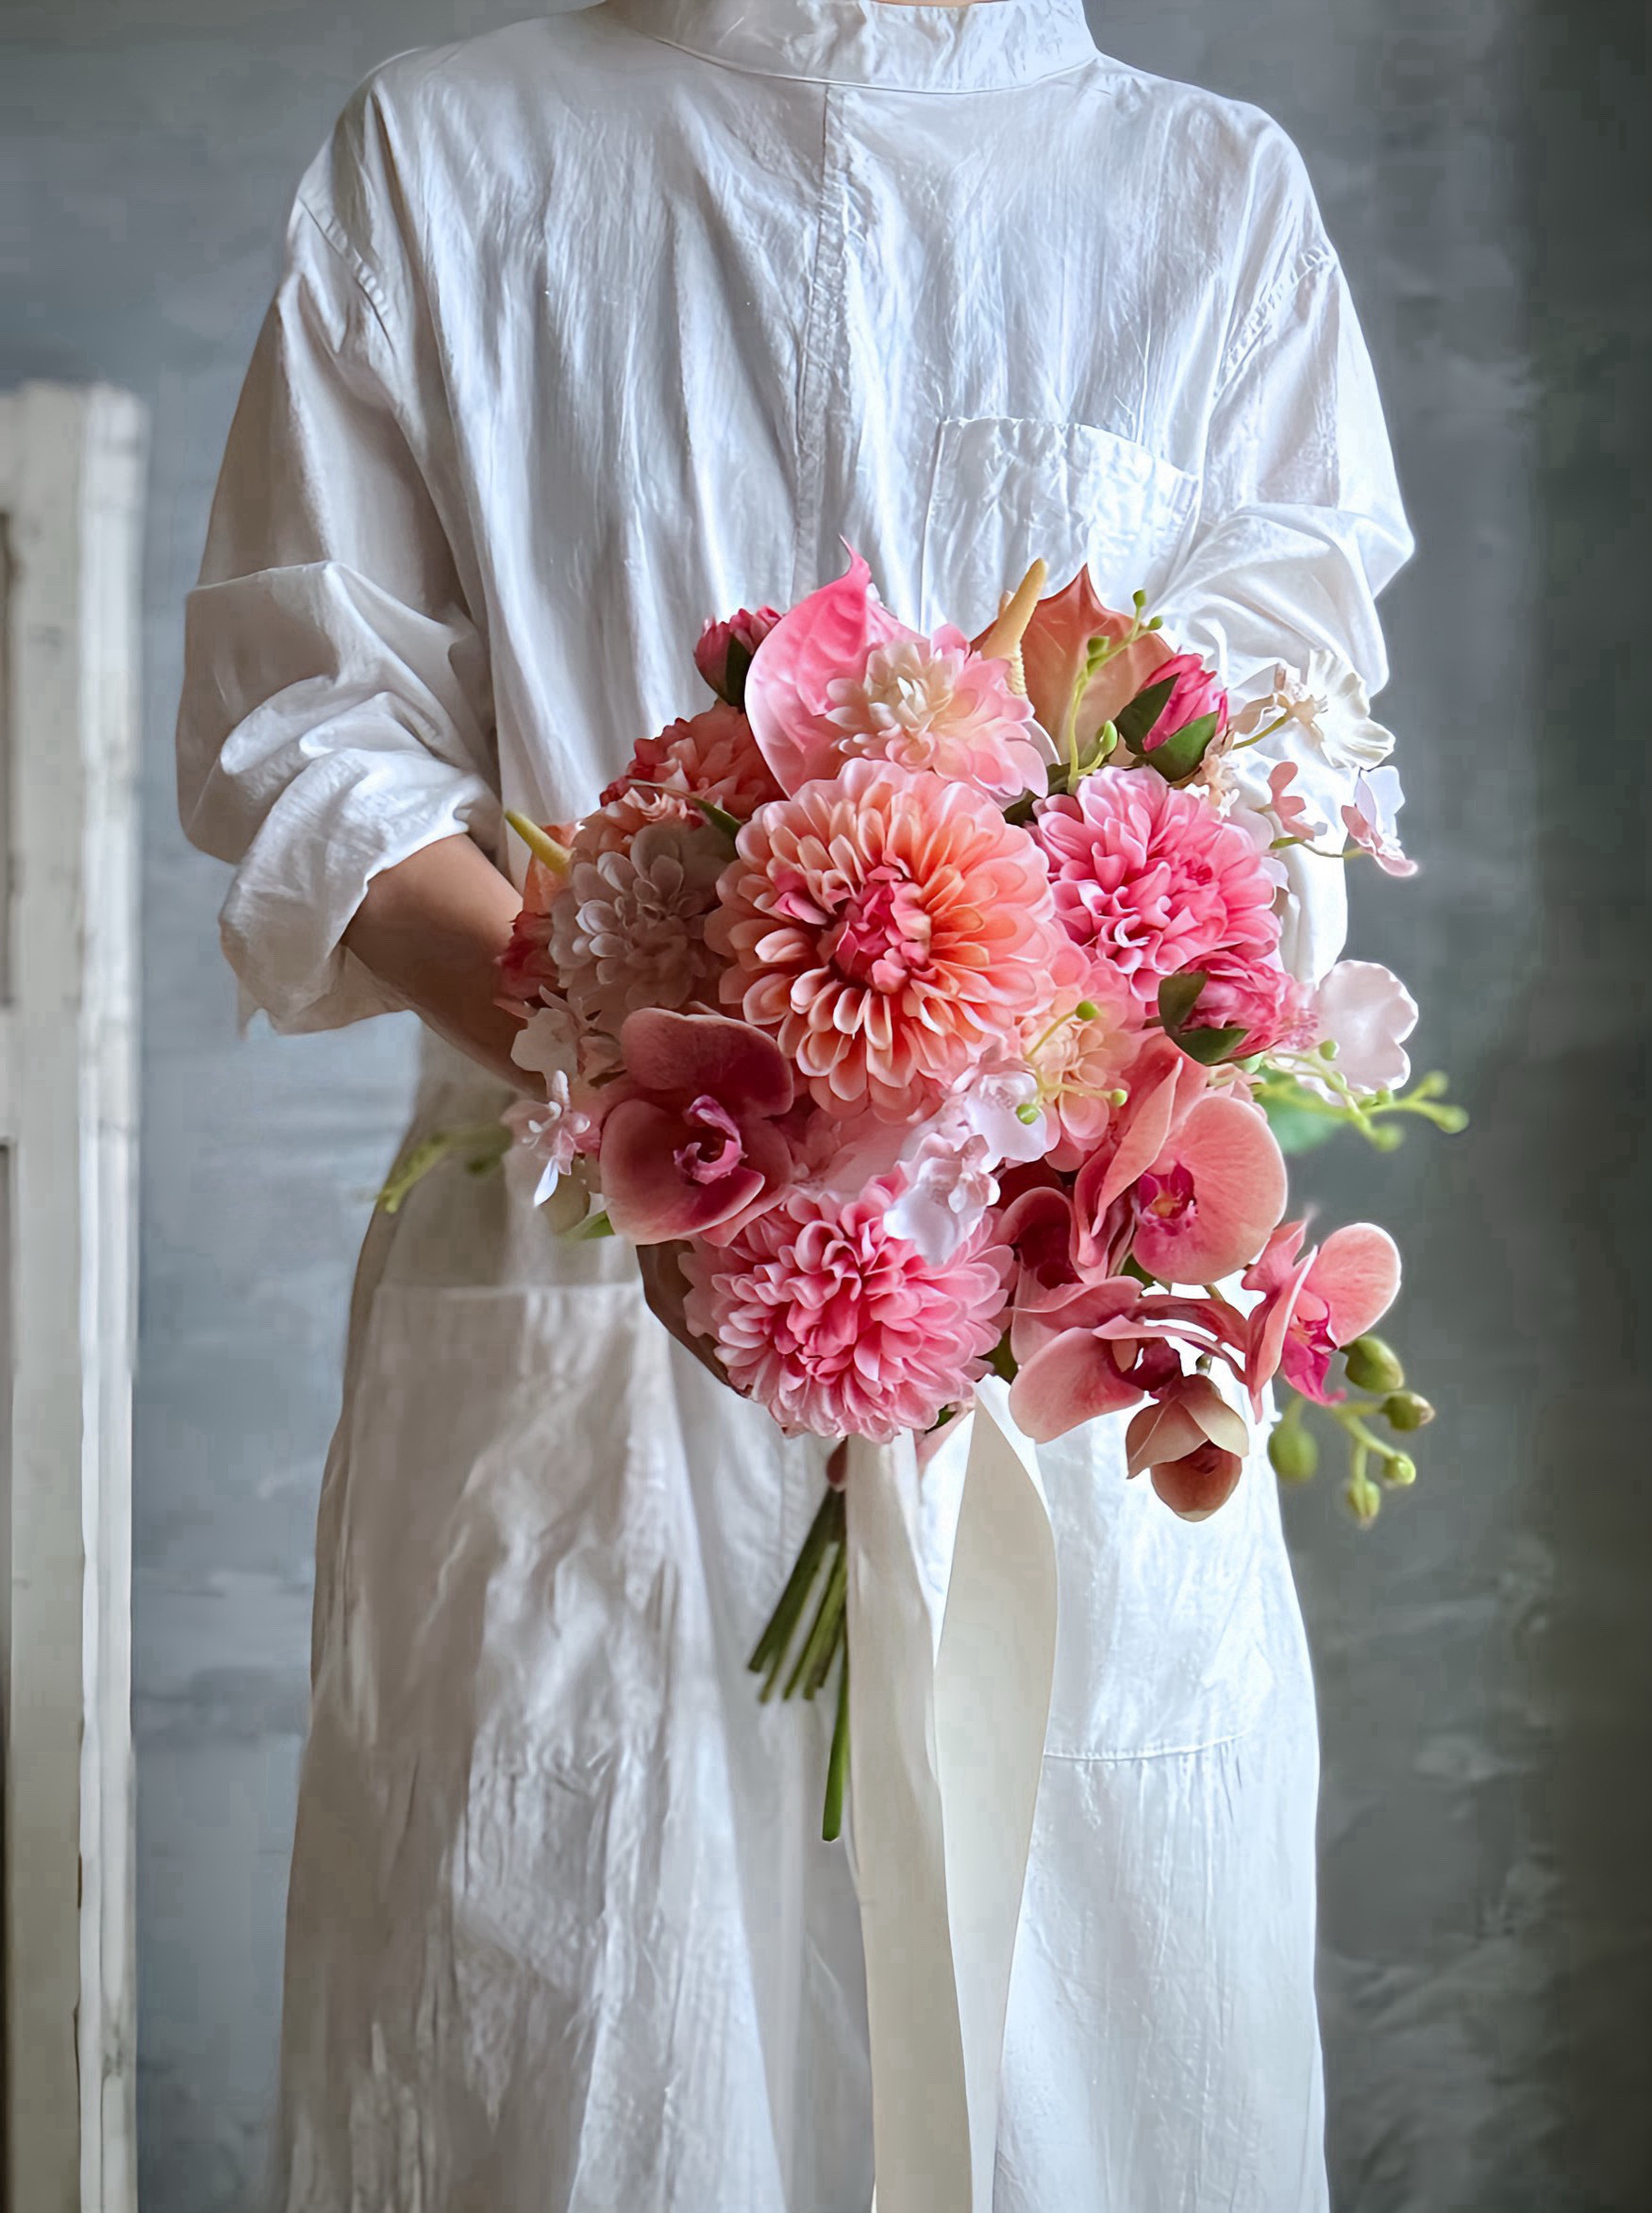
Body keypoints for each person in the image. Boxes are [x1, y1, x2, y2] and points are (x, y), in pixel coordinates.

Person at [176, 1, 1411, 2205]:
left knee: (1098, 2078)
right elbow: (303, 738)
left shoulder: (1209, 202)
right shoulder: (448, 158)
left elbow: (1292, 772)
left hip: (1055, 1333)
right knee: (582, 2070)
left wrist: (989, 1089)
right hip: (583, 1309)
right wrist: (668, 1053)